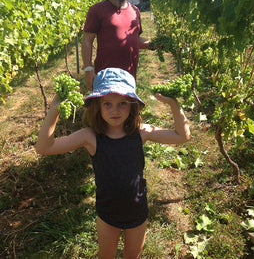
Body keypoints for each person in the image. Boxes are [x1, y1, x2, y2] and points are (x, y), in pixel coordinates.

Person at [35, 67, 190, 259]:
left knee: (132, 255)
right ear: (97, 106)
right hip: (108, 214)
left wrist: (174, 104)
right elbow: (44, 148)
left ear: (132, 105)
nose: (115, 110)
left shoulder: (141, 132)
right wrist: (54, 110)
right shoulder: (90, 137)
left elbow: (182, 136)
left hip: (137, 211)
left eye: (122, 103)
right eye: (107, 104)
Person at [82, 0, 154, 90]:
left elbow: (134, 39)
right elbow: (87, 40)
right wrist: (88, 69)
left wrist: (153, 45)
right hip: (104, 76)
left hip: (129, 77)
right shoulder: (97, 10)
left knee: (126, 108)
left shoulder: (135, 11)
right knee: (105, 108)